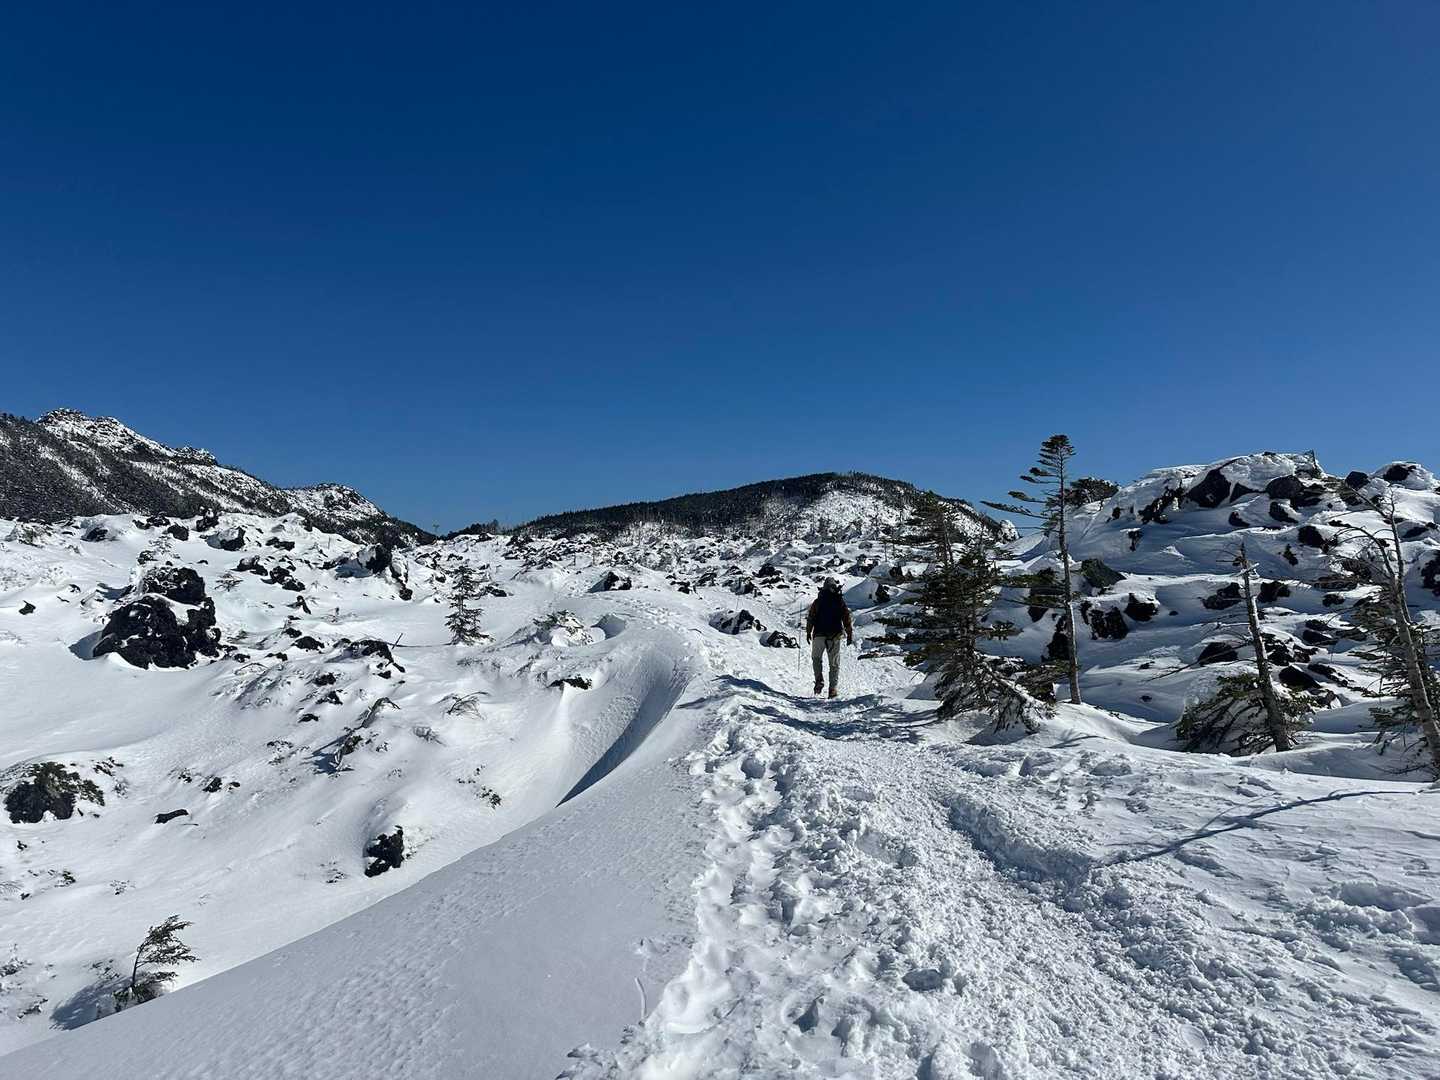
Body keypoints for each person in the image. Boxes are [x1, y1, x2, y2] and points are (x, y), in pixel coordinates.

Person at [806, 577, 854, 699]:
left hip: (819, 635)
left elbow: (811, 618)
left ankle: (819, 680)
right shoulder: (839, 600)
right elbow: (846, 618)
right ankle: (832, 689)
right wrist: (849, 634)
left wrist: (808, 632)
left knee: (816, 658)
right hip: (834, 636)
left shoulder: (818, 601)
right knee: (834, 664)